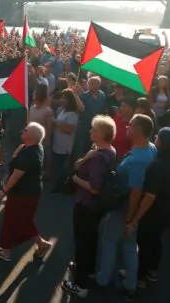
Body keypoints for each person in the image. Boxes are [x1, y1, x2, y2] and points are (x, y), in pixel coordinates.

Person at [94, 114, 157, 300]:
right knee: (130, 246)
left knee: (109, 243)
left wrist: (129, 219)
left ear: (138, 130)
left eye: (130, 125)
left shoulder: (138, 159)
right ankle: (130, 283)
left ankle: (102, 279)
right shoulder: (150, 148)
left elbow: (135, 191)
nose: (127, 127)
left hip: (123, 209)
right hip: (130, 209)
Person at [61, 115, 117, 298]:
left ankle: (81, 285)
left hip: (87, 205)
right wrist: (86, 158)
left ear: (102, 134)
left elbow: (94, 187)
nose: (90, 131)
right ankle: (86, 270)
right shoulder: (105, 150)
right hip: (93, 207)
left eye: (94, 129)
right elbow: (78, 164)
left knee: (84, 242)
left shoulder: (99, 158)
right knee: (89, 241)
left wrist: (76, 179)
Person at [130, 128, 170, 286]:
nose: (155, 139)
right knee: (155, 239)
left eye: (158, 138)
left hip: (154, 211)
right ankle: (153, 271)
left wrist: (134, 219)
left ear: (163, 143)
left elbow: (149, 197)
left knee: (144, 241)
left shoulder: (157, 166)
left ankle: (139, 277)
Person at [0, 122, 53, 262]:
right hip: (26, 192)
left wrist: (4, 190)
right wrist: (16, 153)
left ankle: (6, 252)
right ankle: (41, 244)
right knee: (21, 220)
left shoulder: (30, 153)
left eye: (25, 130)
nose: (22, 131)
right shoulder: (32, 148)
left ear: (31, 136)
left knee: (13, 221)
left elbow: (16, 175)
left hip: (24, 193)